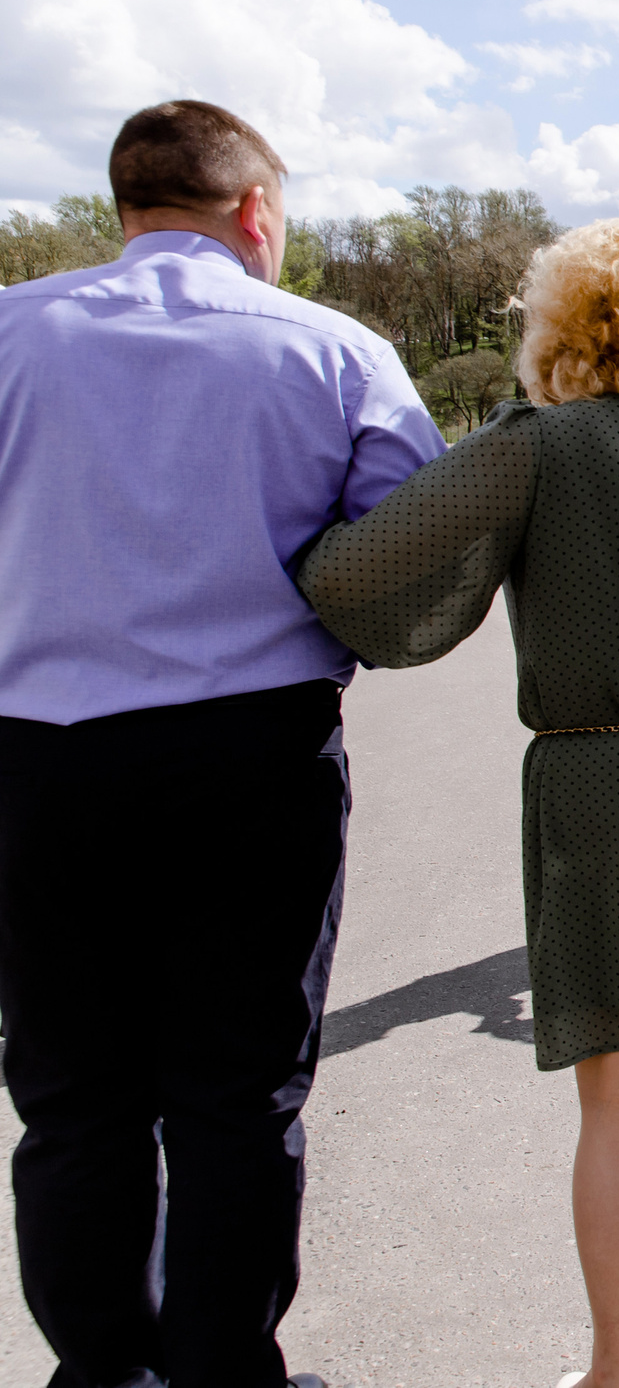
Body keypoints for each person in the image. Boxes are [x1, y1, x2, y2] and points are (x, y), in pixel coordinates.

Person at [295, 221, 619, 1386]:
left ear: (556, 325)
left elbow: (361, 573)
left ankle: (613, 1368)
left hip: (604, 778)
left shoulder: (536, 445)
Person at [0, 100, 445, 1388]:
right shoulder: (335, 352)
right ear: (256, 212)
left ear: (121, 208)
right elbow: (410, 561)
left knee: (74, 1100)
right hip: (251, 764)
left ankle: (101, 1374)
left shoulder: (11, 334)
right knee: (237, 1095)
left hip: (38, 765)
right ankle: (220, 1372)